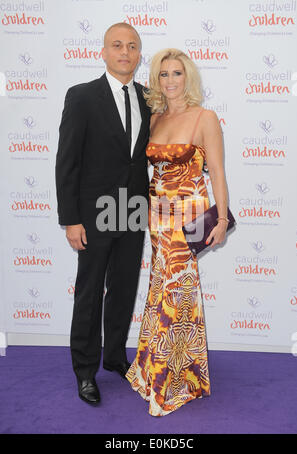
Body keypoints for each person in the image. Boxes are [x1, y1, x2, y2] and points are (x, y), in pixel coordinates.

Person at [126, 48, 229, 416]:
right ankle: (162, 368)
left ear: (189, 78)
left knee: (176, 292)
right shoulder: (153, 119)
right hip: (157, 217)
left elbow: (216, 170)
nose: (170, 81)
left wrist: (220, 220)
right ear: (157, 80)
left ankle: (173, 380)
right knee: (164, 290)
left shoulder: (205, 118)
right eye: (164, 74)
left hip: (188, 219)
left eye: (177, 74)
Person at [55, 23, 151, 405]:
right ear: (104, 52)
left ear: (139, 55)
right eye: (117, 45)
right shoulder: (81, 96)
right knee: (90, 291)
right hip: (94, 213)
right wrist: (71, 218)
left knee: (124, 288)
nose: (124, 52)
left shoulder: (149, 97)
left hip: (133, 208)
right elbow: (67, 162)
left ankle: (114, 357)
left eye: (131, 46)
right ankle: (85, 370)